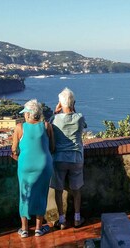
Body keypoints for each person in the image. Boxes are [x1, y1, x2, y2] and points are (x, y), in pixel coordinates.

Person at [11, 99, 54, 238]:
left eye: (25, 113)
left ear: (29, 114)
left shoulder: (19, 127)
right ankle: (38, 228)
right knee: (41, 194)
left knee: (24, 194)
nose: (24, 115)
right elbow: (53, 147)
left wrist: (20, 158)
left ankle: (24, 229)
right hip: (43, 165)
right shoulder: (47, 126)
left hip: (25, 165)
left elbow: (14, 150)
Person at [49, 88, 87, 229]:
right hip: (76, 157)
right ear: (73, 103)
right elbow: (83, 124)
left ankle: (62, 220)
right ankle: (77, 218)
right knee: (76, 189)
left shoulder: (54, 119)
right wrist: (72, 106)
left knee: (58, 190)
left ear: (60, 103)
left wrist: (55, 111)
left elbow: (49, 127)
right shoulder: (80, 117)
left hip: (59, 158)